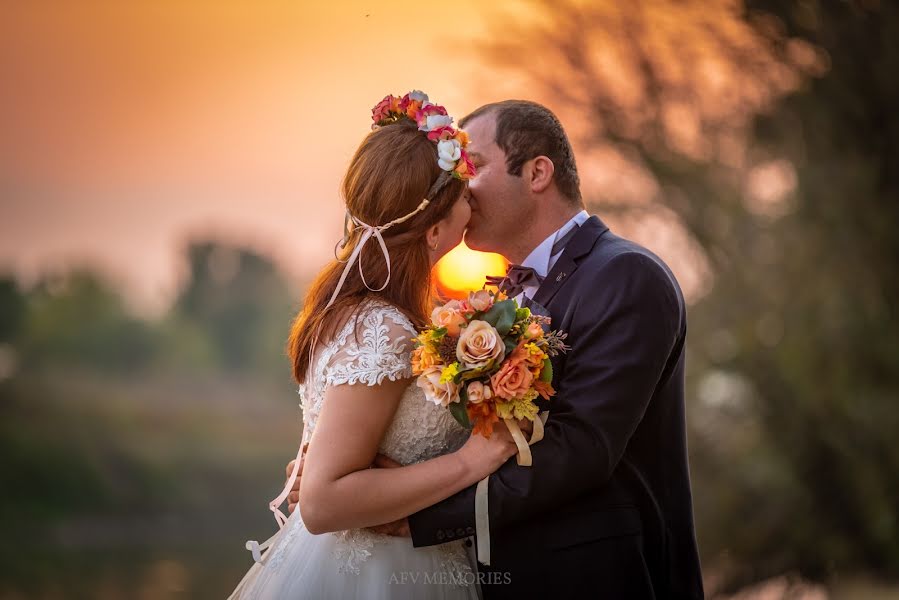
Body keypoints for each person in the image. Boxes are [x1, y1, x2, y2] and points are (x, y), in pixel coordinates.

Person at [286, 99, 705, 599]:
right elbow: (470, 432)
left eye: (474, 166)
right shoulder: (491, 300)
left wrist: (414, 511)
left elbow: (582, 449)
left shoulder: (626, 277)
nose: (461, 185)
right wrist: (351, 467)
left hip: (599, 579)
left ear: (537, 173)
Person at [228, 91, 518, 600]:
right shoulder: (383, 328)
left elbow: (339, 460)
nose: (472, 200)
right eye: (462, 195)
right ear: (432, 231)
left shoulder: (367, 310)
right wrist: (470, 462)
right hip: (377, 575)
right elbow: (323, 504)